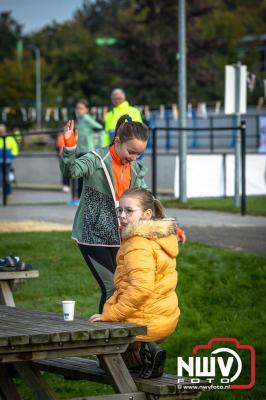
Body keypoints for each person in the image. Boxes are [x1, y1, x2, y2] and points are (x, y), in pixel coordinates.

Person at [60, 115, 149, 312]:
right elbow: (71, 172)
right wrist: (70, 146)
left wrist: (169, 226)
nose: (134, 158)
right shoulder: (96, 159)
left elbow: (146, 199)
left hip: (119, 236)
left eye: (139, 154)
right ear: (117, 141)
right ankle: (107, 335)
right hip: (92, 236)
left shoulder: (134, 168)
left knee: (125, 288)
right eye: (131, 152)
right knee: (112, 288)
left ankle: (124, 338)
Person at [90, 188, 180, 379]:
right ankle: (144, 356)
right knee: (114, 362)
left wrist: (110, 315)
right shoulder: (159, 237)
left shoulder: (138, 243)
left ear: (147, 214)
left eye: (129, 211)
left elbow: (141, 289)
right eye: (120, 210)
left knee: (103, 356)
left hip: (145, 320)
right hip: (162, 317)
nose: (122, 216)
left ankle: (144, 354)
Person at [74, 99, 104, 201]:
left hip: (87, 151)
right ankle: (79, 198)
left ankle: (87, 198)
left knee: (87, 176)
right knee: (79, 175)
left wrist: (98, 143)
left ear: (86, 109)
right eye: (77, 108)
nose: (78, 110)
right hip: (79, 151)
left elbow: (100, 127)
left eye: (81, 108)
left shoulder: (87, 118)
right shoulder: (80, 119)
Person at [0, 124, 19, 198]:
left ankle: (8, 192)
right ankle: (5, 191)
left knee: (6, 177)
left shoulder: (10, 139)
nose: (0, 132)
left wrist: (11, 156)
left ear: (5, 131)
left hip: (7, 161)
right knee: (1, 177)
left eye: (1, 130)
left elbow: (15, 150)